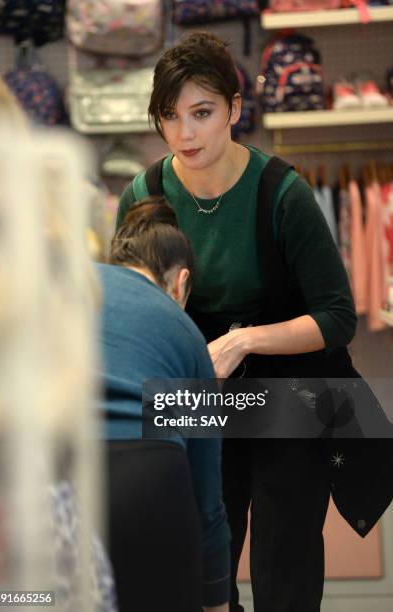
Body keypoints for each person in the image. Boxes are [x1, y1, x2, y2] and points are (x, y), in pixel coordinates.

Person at [115, 31, 366, 612]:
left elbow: (337, 317)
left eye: (201, 113)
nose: (184, 134)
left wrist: (242, 340)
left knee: (286, 574)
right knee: (204, 574)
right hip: (198, 399)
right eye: (169, 117)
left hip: (288, 397)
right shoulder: (145, 194)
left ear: (234, 107)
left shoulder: (283, 193)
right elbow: (131, 309)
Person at [96, 196, 230, 612]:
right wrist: (217, 600)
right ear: (181, 283)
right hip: (148, 475)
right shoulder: (185, 331)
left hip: (55, 462)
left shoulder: (63, 286)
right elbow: (208, 501)